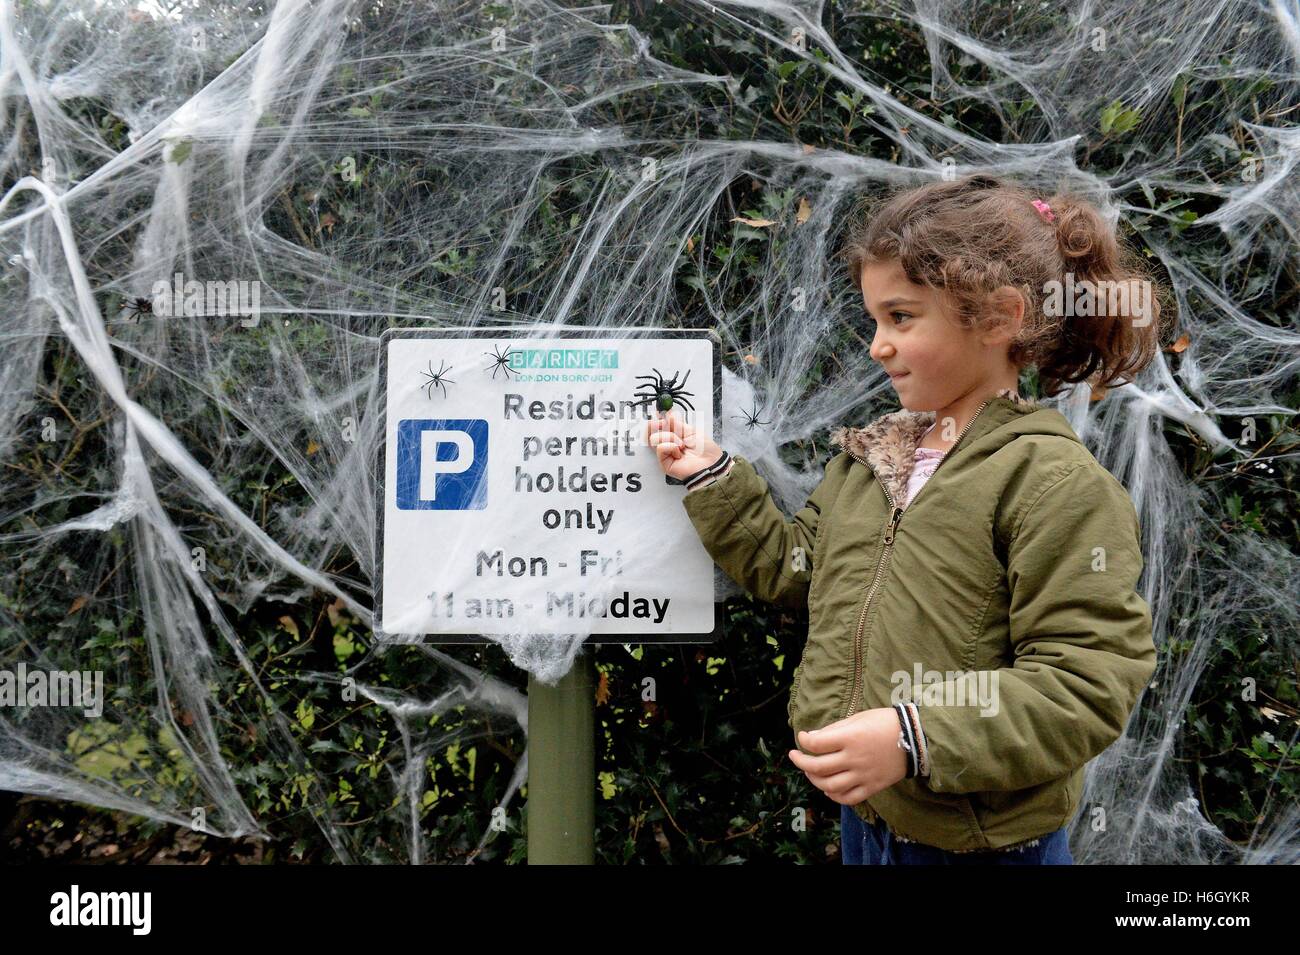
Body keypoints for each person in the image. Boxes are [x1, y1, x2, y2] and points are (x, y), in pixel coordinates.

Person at [646, 173, 1172, 865]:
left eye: (900, 317)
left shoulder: (1053, 483)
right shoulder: (876, 459)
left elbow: (1085, 683)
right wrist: (712, 477)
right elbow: (797, 567)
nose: (877, 345)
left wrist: (911, 736)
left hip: (982, 848)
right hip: (872, 823)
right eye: (875, 320)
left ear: (999, 317)